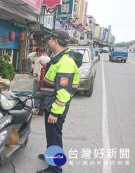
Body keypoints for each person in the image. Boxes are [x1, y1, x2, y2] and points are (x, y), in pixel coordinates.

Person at [37, 29, 83, 173]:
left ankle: (55, 168)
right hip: (50, 103)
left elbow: (64, 92)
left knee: (54, 136)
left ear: (55, 41)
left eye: (49, 40)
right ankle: (50, 155)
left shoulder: (66, 62)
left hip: (56, 106)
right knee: (51, 135)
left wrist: (55, 113)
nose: (48, 42)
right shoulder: (58, 57)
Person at [33, 47, 50, 114]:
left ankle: (37, 107)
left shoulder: (39, 59)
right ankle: (41, 108)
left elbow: (37, 70)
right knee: (43, 94)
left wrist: (36, 74)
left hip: (39, 78)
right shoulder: (48, 59)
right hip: (45, 79)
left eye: (38, 53)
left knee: (36, 93)